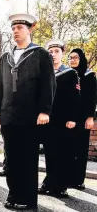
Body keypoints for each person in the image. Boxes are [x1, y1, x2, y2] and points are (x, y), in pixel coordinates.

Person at [0, 13, 56, 209]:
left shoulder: (41, 55)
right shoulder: (6, 57)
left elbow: (48, 85)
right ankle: (13, 195)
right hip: (8, 117)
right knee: (11, 160)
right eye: (13, 28)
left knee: (27, 160)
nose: (15, 31)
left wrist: (45, 111)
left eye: (19, 28)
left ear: (29, 29)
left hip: (29, 117)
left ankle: (27, 201)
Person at [37, 40, 80, 198]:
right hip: (48, 120)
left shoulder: (70, 73)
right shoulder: (44, 73)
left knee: (63, 153)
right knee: (50, 153)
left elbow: (75, 98)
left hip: (64, 121)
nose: (53, 54)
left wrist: (72, 118)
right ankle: (49, 183)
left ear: (62, 53)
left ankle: (61, 186)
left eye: (56, 51)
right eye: (51, 52)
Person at [68, 48, 97, 190]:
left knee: (81, 149)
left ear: (81, 58)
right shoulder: (68, 74)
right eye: (70, 57)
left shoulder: (89, 75)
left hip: (83, 118)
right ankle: (68, 178)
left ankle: (78, 180)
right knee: (69, 149)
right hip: (69, 118)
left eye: (75, 57)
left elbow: (92, 98)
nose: (72, 60)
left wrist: (91, 117)